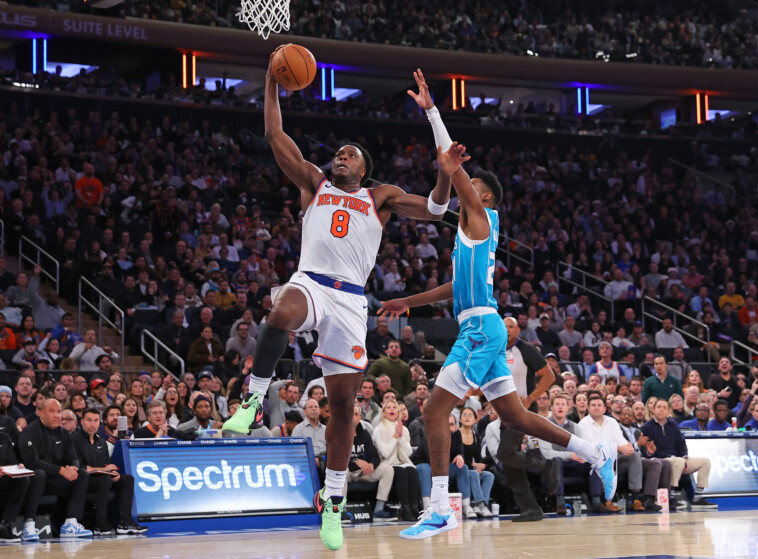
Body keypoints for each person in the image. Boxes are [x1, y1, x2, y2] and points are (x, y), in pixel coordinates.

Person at [221, 65, 454, 550]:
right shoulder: (314, 184)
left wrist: (445, 173)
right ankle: (251, 402)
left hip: (350, 300)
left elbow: (434, 209)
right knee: (281, 312)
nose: (339, 158)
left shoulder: (380, 197)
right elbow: (274, 133)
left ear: (363, 168)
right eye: (337, 154)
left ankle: (332, 502)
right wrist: (269, 81)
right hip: (310, 283)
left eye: (348, 155)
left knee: (345, 407)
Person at [380, 136, 616, 539]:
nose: (458, 196)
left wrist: (435, 119)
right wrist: (409, 301)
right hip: (481, 326)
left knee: (435, 412)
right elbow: (454, 287)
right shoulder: (468, 234)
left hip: (479, 329)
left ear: (482, 194)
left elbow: (456, 174)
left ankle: (439, 509)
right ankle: (594, 452)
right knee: (515, 417)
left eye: (468, 188)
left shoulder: (483, 216)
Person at [18, 399, 93, 539]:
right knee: (39, 474)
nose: (57, 415)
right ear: (41, 413)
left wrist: (73, 468)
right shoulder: (31, 431)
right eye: (52, 411)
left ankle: (71, 523)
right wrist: (61, 470)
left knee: (82, 474)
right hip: (36, 481)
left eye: (59, 412)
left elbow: (73, 458)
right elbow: (31, 462)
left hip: (56, 480)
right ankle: (29, 525)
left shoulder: (64, 433)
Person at [72, 408, 147, 535]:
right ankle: (100, 524)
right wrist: (104, 471)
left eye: (96, 420)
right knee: (105, 479)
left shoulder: (101, 442)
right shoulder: (74, 440)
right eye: (89, 420)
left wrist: (113, 473)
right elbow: (79, 468)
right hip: (83, 481)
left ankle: (125, 522)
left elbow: (107, 465)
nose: (92, 424)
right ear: (82, 422)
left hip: (102, 478)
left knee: (127, 479)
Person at [641, 399, 717, 509]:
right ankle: (671, 496)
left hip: (678, 459)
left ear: (668, 411)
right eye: (659, 407)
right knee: (678, 462)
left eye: (664, 407)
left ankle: (698, 497)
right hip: (661, 459)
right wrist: (675, 458)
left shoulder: (673, 424)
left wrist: (684, 456)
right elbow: (648, 451)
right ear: (653, 410)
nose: (661, 409)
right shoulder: (646, 427)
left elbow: (681, 443)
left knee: (705, 461)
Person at [577, 393, 644, 513]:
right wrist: (619, 448)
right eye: (593, 405)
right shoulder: (583, 424)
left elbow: (622, 442)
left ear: (604, 408)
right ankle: (606, 500)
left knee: (634, 456)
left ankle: (635, 499)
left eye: (599, 405)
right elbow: (593, 449)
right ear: (588, 408)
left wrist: (627, 447)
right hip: (593, 462)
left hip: (615, 460)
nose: (596, 407)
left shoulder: (612, 422)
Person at [345, 404, 395, 519]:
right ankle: (341, 510)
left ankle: (379, 510)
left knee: (387, 469)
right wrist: (355, 461)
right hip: (347, 471)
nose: (353, 417)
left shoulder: (364, 434)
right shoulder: (339, 434)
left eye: (356, 414)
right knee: (340, 474)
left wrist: (372, 464)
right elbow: (333, 458)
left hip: (364, 472)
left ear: (359, 418)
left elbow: (374, 456)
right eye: (350, 414)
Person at [373, 400, 420, 522]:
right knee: (402, 472)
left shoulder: (404, 429)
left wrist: (401, 436)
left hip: (402, 462)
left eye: (394, 407)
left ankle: (414, 507)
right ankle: (404, 508)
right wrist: (395, 436)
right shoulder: (379, 429)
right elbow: (384, 453)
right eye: (388, 407)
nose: (392, 409)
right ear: (383, 412)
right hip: (387, 464)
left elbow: (408, 453)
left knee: (412, 471)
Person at [458, 406, 494, 517]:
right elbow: (456, 457)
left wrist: (478, 466)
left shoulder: (475, 435)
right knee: (473, 473)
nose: (467, 417)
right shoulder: (456, 435)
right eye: (464, 415)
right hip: (460, 469)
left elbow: (478, 457)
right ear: (460, 419)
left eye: (470, 415)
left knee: (489, 475)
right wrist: (474, 465)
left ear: (475, 420)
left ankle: (482, 505)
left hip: (471, 469)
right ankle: (480, 504)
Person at [0, 430, 32, 542]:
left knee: (22, 479)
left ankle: (4, 525)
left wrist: (18, 466)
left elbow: (11, 461)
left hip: (2, 478)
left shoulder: (4, 437)